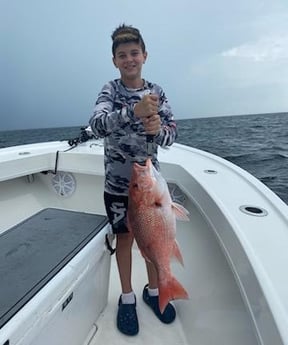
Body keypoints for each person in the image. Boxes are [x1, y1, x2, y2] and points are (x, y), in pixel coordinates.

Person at [89, 24, 177, 336]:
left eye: (134, 53)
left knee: (152, 239)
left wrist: (158, 131)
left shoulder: (157, 91)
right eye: (122, 55)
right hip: (117, 187)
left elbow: (172, 133)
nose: (129, 59)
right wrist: (133, 112)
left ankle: (155, 291)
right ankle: (127, 298)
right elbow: (97, 125)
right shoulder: (110, 91)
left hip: (150, 185)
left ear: (144, 56)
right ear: (114, 60)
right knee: (125, 239)